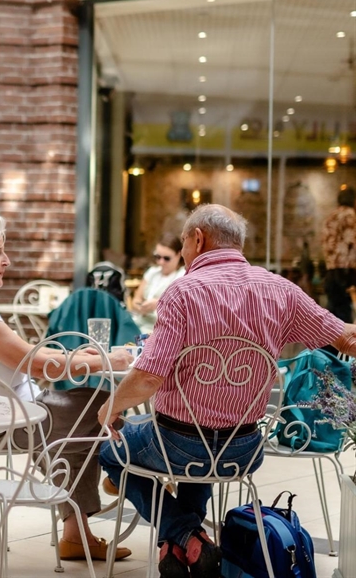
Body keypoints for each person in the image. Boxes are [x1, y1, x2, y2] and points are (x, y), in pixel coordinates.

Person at [98, 204, 356, 578]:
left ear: (198, 238)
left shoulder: (182, 292)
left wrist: (110, 408)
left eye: (184, 243)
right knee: (194, 463)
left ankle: (184, 535)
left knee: (109, 449)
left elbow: (149, 378)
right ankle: (180, 546)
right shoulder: (280, 290)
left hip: (179, 445)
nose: (184, 253)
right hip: (245, 450)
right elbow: (346, 337)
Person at [0, 212, 133, 562]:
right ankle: (120, 467)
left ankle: (76, 534)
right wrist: (105, 360)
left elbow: (31, 357)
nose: (7, 261)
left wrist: (83, 356)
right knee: (99, 403)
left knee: (78, 418)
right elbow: (34, 363)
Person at [130, 233, 185, 334]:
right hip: (140, 323)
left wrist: (158, 303)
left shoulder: (182, 276)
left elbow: (183, 306)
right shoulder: (152, 272)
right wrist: (140, 307)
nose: (161, 262)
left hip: (164, 329)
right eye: (158, 257)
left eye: (166, 258)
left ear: (178, 255)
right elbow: (136, 299)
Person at [321, 186, 356, 327]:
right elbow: (352, 242)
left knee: (333, 309)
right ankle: (344, 347)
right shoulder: (349, 215)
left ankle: (329, 346)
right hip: (345, 269)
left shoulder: (331, 216)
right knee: (344, 312)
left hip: (331, 268)